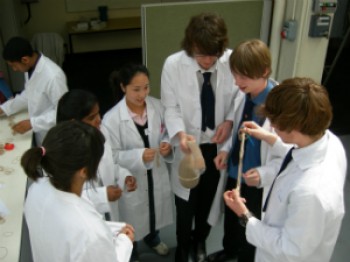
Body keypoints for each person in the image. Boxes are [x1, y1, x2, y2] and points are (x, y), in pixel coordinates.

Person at [223, 77, 347, 262]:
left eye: (274, 123)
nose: (271, 126)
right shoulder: (327, 139)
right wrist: (268, 137)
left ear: (294, 127)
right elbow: (295, 154)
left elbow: (290, 250)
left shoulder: (311, 192)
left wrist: (245, 215)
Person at [160, 12, 239, 262]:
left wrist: (228, 120)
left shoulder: (231, 60)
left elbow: (239, 96)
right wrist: (180, 134)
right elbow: (170, 107)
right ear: (190, 45)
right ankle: (183, 246)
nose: (206, 61)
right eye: (200, 54)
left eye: (212, 55)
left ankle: (200, 241)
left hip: (217, 146)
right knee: (185, 205)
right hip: (188, 146)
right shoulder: (173, 64)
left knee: (208, 201)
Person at [207, 39, 286, 262]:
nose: (238, 82)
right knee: (232, 220)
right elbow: (234, 130)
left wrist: (264, 174)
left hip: (259, 181)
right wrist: (224, 151)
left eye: (244, 77)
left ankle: (245, 257)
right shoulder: (244, 94)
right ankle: (229, 251)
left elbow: (289, 153)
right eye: (235, 75)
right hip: (236, 172)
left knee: (252, 224)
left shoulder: (280, 105)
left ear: (264, 71)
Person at [22, 121, 134, 262]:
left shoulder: (36, 189)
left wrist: (114, 229)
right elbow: (88, 236)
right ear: (85, 171)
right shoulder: (90, 233)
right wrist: (124, 242)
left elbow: (65, 229)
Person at [102, 63, 174, 261]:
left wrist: (167, 142)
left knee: (153, 211)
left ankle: (153, 238)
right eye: (136, 89)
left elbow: (168, 129)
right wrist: (138, 156)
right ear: (123, 87)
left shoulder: (157, 106)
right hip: (131, 177)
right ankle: (130, 249)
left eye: (146, 87)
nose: (143, 94)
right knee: (132, 217)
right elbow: (112, 156)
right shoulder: (111, 119)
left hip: (156, 172)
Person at [56, 89, 136, 221]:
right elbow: (64, 198)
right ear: (73, 123)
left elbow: (109, 165)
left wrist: (124, 176)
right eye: (91, 118)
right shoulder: (62, 152)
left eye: (98, 113)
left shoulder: (101, 131)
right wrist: (102, 196)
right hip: (84, 220)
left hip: (110, 214)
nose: (99, 120)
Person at [0, 36, 68, 146]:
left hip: (54, 135)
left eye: (14, 65)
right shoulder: (31, 67)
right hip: (40, 130)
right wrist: (3, 108)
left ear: (25, 60)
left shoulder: (53, 76)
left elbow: (64, 112)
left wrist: (32, 123)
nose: (14, 69)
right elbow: (28, 95)